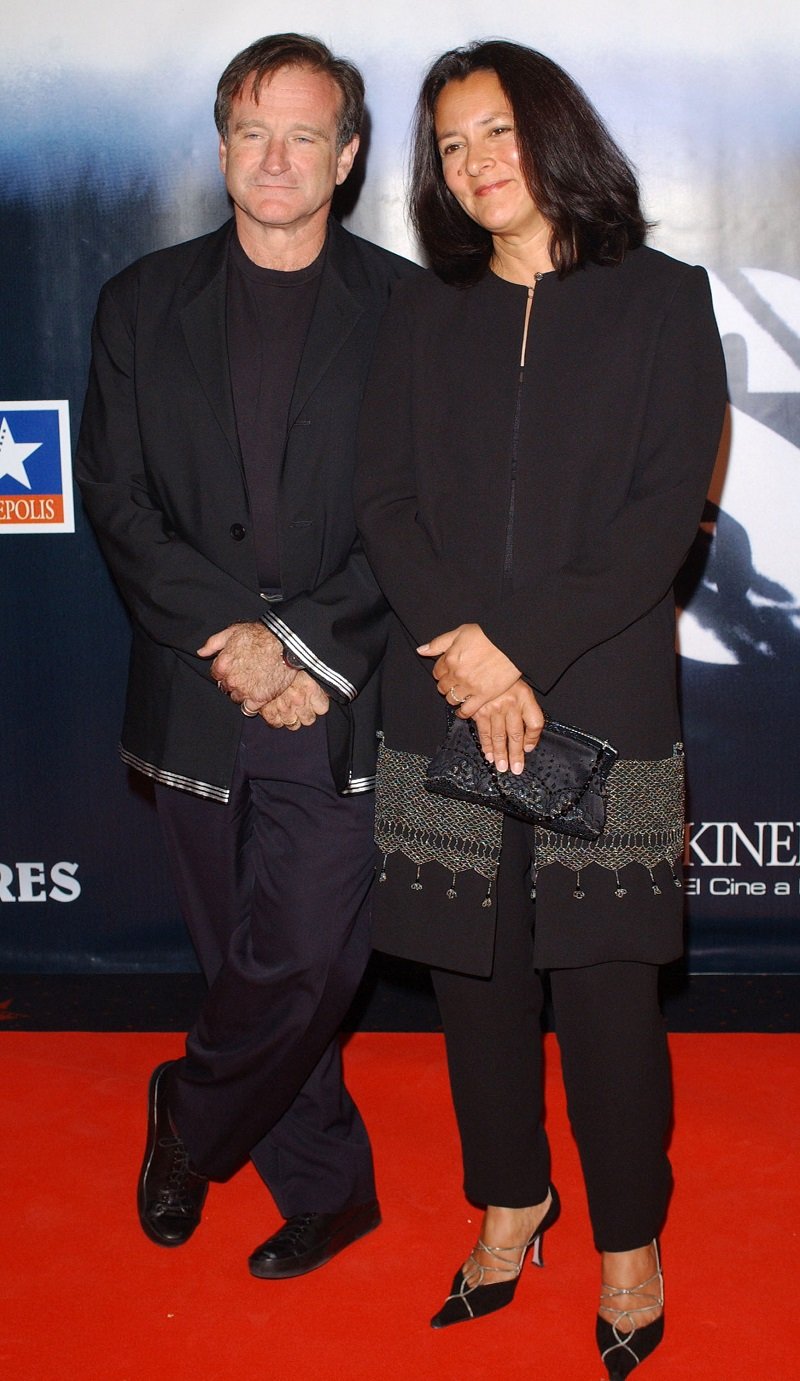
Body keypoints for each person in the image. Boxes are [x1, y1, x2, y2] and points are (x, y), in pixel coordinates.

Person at [355, 40, 726, 1378]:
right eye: (450, 146)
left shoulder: (661, 302)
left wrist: (515, 652)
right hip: (439, 686)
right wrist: (467, 653)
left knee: (611, 989)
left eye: (495, 130)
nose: (475, 163)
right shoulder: (419, 313)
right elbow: (384, 500)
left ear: (552, 131)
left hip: (605, 688)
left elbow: (659, 523)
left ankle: (629, 1239)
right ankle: (513, 1199)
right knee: (475, 980)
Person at [76, 33, 416, 1279]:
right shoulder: (138, 301)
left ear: (349, 156)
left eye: (305, 134)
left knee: (308, 955)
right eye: (252, 132)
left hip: (342, 692)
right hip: (193, 682)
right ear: (223, 148)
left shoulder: (409, 313)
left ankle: (191, 1113)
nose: (277, 158)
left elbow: (418, 519)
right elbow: (116, 500)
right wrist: (235, 640)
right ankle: (331, 1186)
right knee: (241, 956)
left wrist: (301, 647)